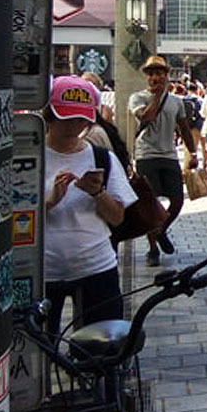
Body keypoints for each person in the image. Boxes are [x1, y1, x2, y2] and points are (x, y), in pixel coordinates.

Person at [42, 76, 137, 335]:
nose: (75, 125)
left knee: (98, 353)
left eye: (82, 118)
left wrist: (97, 192)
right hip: (41, 272)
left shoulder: (101, 157)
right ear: (49, 115)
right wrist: (49, 202)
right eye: (66, 117)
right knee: (36, 351)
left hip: (96, 266)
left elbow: (117, 217)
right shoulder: (28, 157)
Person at [128, 55, 197, 266]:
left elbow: (184, 129)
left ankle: (160, 231)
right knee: (152, 204)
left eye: (159, 73)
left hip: (169, 156)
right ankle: (152, 249)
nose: (155, 77)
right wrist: (156, 97)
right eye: (151, 74)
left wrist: (193, 154)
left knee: (177, 201)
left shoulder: (177, 102)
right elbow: (146, 118)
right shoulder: (137, 98)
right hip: (146, 156)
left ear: (166, 75)